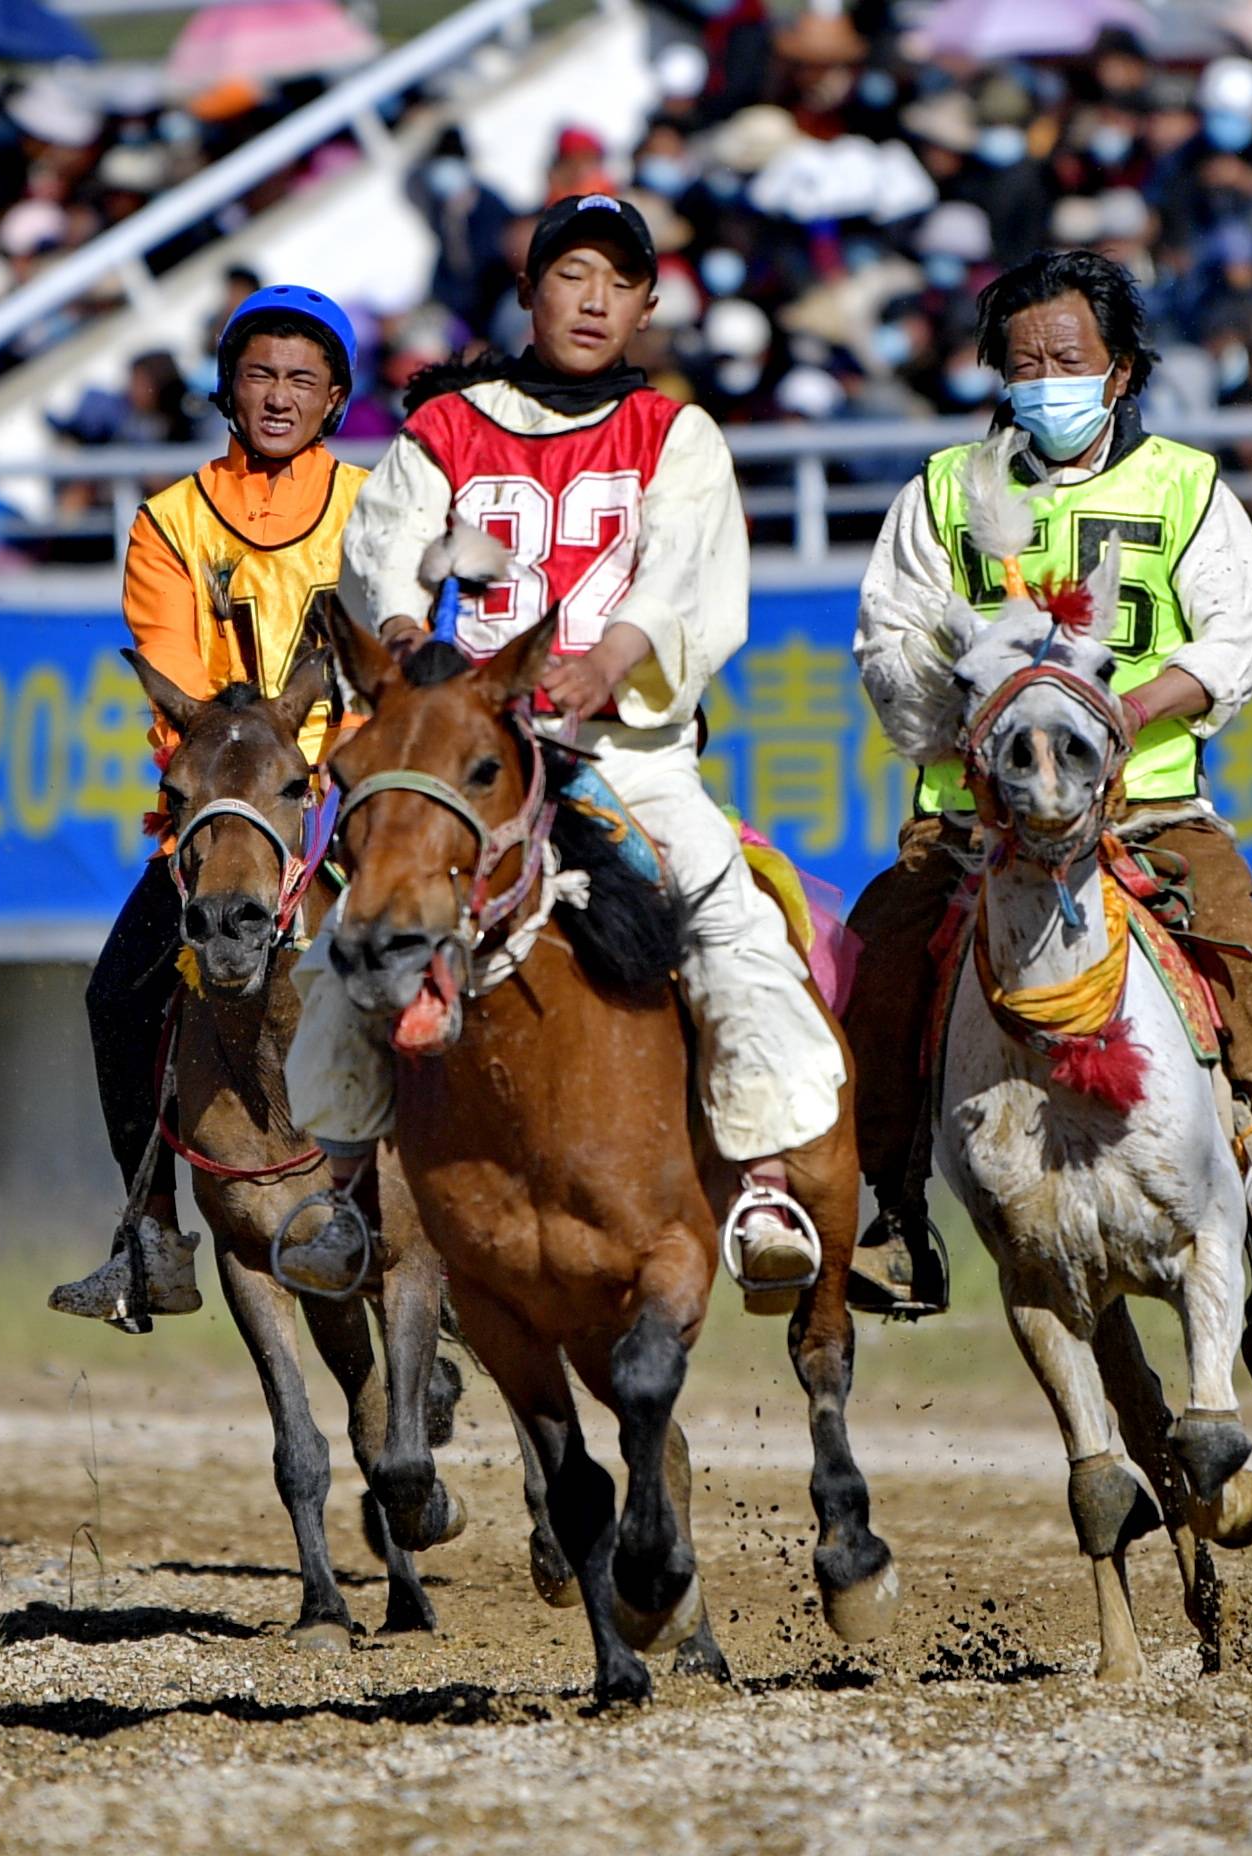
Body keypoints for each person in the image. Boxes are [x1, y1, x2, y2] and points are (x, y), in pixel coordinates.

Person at [278, 193, 842, 1310]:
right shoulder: (445, 426)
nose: (592, 300)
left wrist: (610, 659)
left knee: (732, 926)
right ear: (529, 291)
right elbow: (383, 553)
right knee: (355, 931)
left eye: (618, 282)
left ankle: (765, 1183)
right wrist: (410, 641)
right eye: (570, 275)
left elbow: (683, 575)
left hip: (623, 753)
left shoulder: (676, 434)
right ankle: (339, 1189)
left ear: (647, 306)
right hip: (462, 761)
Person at [847, 247, 1252, 1319]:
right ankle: (895, 1215)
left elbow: (1233, 638)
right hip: (974, 823)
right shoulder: (941, 491)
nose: (1045, 380)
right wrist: (970, 717)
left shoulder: (1185, 486)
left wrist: (1128, 713)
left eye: (1067, 359)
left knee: (1232, 932)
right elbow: (888, 638)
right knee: (879, 962)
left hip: (1147, 809)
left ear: (1119, 370)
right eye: (1023, 362)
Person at [51, 284, 367, 1328]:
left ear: (334, 399)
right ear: (228, 389)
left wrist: (336, 778)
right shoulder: (169, 521)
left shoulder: (378, 507)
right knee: (116, 996)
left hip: (354, 790)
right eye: (260, 374)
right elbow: (181, 698)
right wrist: (250, 785)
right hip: (232, 803)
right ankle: (151, 1235)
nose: (279, 395)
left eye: (302, 379)